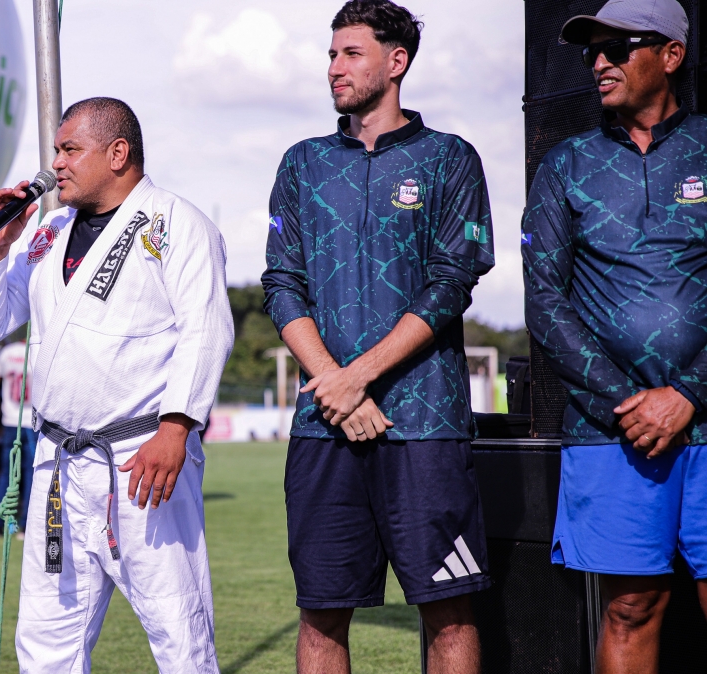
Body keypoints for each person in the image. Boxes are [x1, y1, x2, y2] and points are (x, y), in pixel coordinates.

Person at [261, 2, 495, 672]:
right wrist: (334, 387)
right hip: (324, 428)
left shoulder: (450, 158)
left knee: (450, 613)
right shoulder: (302, 163)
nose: (335, 67)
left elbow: (451, 281)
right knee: (321, 615)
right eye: (331, 54)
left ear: (397, 62)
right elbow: (281, 283)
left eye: (351, 53)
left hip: (425, 425)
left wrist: (354, 377)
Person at [0, 97, 233, 673]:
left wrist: (176, 429)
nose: (56, 163)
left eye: (70, 150)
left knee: (176, 626)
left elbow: (206, 330)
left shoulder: (177, 223)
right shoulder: (50, 230)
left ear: (117, 153)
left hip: (141, 457)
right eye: (56, 150)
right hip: (57, 461)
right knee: (47, 632)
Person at [524, 1, 707, 671]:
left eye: (618, 47)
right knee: (629, 609)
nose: (599, 62)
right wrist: (630, 407)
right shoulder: (566, 164)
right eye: (591, 51)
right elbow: (544, 300)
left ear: (671, 54)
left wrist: (688, 393)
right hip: (612, 431)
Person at [0, 339, 37, 540]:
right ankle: (25, 526)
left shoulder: (7, 352)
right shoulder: (38, 350)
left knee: (7, 474)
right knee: (30, 474)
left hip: (10, 420)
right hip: (31, 422)